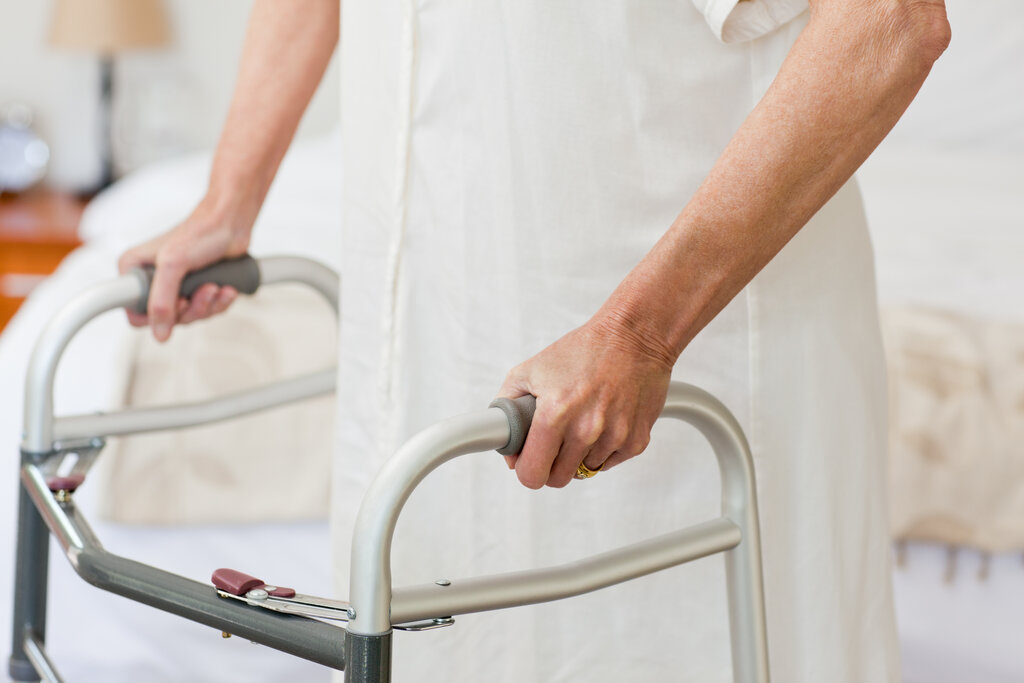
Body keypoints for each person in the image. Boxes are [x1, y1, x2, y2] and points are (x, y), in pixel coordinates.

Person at [119, 0, 950, 680]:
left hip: (687, 375)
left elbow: (890, 22)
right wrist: (228, 199)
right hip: (433, 365)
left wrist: (640, 332)